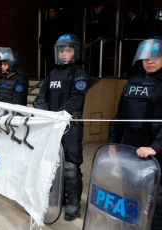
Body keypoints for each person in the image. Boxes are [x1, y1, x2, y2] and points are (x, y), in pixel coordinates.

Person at [33, 34, 90, 221]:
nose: (64, 54)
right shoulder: (52, 74)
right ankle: (58, 197)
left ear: (75, 51)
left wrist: (59, 115)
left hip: (70, 126)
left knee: (71, 166)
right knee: (52, 163)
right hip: (53, 125)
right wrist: (47, 114)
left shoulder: (79, 74)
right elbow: (40, 97)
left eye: (68, 50)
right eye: (61, 50)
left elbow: (76, 99)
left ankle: (74, 203)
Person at [107, 37, 162, 229]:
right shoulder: (132, 82)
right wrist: (112, 142)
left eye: (156, 56)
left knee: (156, 197)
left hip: (155, 146)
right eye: (146, 57)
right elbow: (119, 114)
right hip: (130, 143)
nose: (150, 61)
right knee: (129, 189)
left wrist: (155, 147)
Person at [86, 0, 111, 77]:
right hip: (94, 41)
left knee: (102, 58)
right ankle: (96, 73)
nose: (96, 9)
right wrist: (87, 41)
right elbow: (89, 30)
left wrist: (105, 38)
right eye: (95, 8)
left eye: (97, 8)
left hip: (102, 41)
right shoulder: (92, 17)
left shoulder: (105, 17)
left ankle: (103, 74)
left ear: (101, 7)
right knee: (94, 58)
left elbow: (108, 29)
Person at [39, 7, 65, 74]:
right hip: (47, 45)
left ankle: (56, 74)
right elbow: (43, 33)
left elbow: (60, 33)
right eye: (49, 12)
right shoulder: (46, 22)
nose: (50, 13)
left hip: (56, 44)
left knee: (56, 60)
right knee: (48, 61)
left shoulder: (59, 23)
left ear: (55, 12)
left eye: (52, 11)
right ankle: (48, 74)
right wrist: (40, 42)